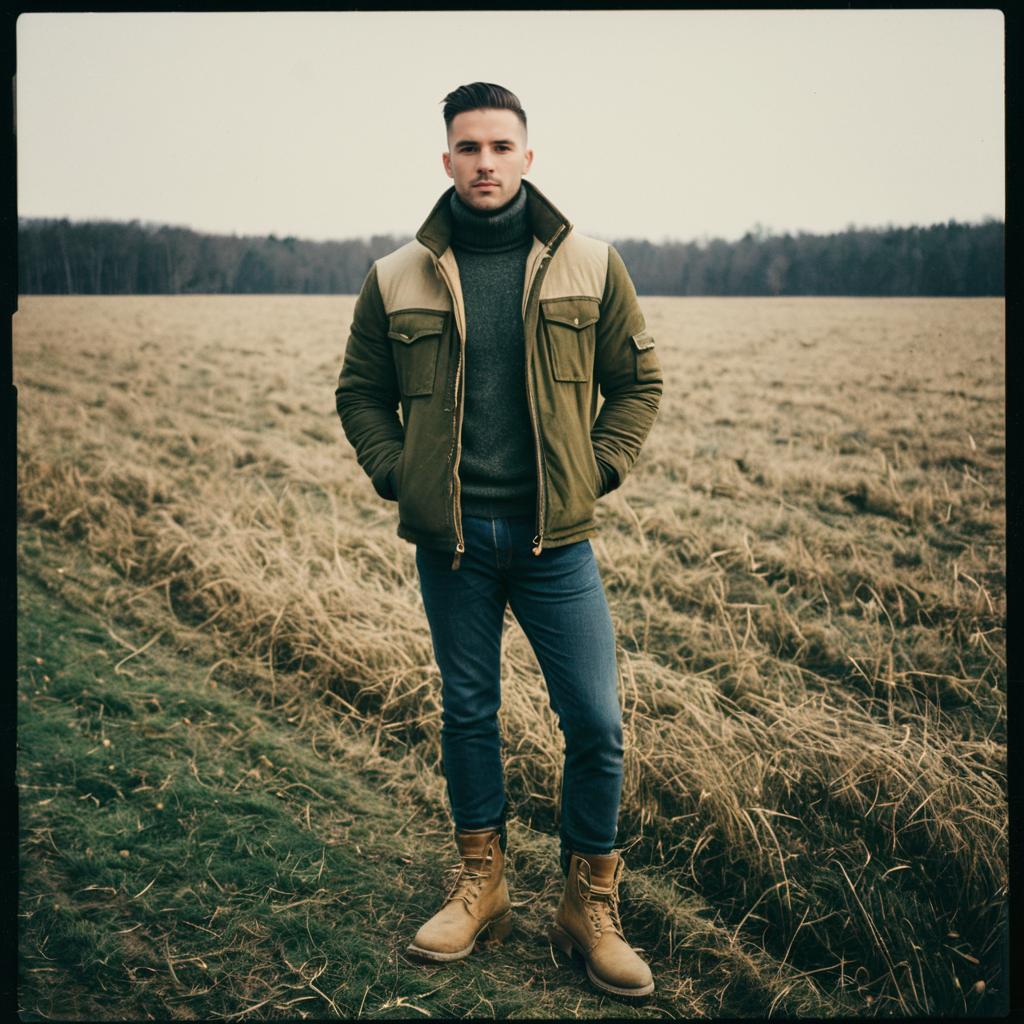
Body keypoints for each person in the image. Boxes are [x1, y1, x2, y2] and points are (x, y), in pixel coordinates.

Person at [335, 81, 662, 999]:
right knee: (467, 712)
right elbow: (359, 390)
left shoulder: (592, 265)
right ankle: (482, 883)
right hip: (453, 546)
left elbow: (639, 384)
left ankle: (587, 902)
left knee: (596, 724)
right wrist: (399, 475)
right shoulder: (398, 273)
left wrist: (594, 470)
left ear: (528, 156)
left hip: (557, 541)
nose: (484, 161)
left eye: (501, 145)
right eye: (468, 146)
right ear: (447, 159)